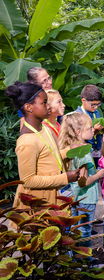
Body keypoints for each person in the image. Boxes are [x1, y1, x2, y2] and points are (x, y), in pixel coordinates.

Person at [6, 82, 80, 212]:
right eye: (44, 103)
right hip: (40, 202)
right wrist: (65, 178)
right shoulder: (27, 141)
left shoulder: (44, 128)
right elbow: (28, 180)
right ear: (29, 107)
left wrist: (70, 151)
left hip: (54, 195)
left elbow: (50, 156)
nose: (49, 106)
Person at [58, 112, 104, 259]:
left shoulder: (70, 149)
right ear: (78, 132)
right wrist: (98, 175)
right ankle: (85, 260)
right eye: (90, 128)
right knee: (85, 231)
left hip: (75, 196)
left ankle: (73, 258)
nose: (93, 130)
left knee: (74, 229)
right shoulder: (83, 153)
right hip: (87, 197)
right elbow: (83, 181)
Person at [76, 84, 104, 166]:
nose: (95, 107)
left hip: (98, 151)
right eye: (93, 104)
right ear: (83, 100)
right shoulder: (77, 116)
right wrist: (94, 131)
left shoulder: (97, 113)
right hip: (85, 154)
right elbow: (78, 138)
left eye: (98, 104)